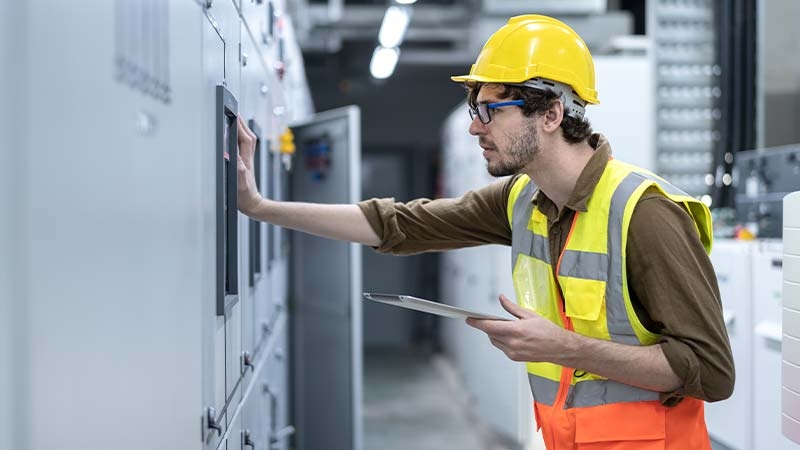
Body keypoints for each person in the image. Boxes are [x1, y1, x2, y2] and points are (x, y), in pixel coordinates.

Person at [236, 14, 734, 450]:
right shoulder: (522, 199)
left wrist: (563, 347)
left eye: (490, 110)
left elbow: (711, 372)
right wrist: (260, 207)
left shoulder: (645, 213)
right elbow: (400, 223)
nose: (476, 127)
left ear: (551, 114)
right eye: (476, 110)